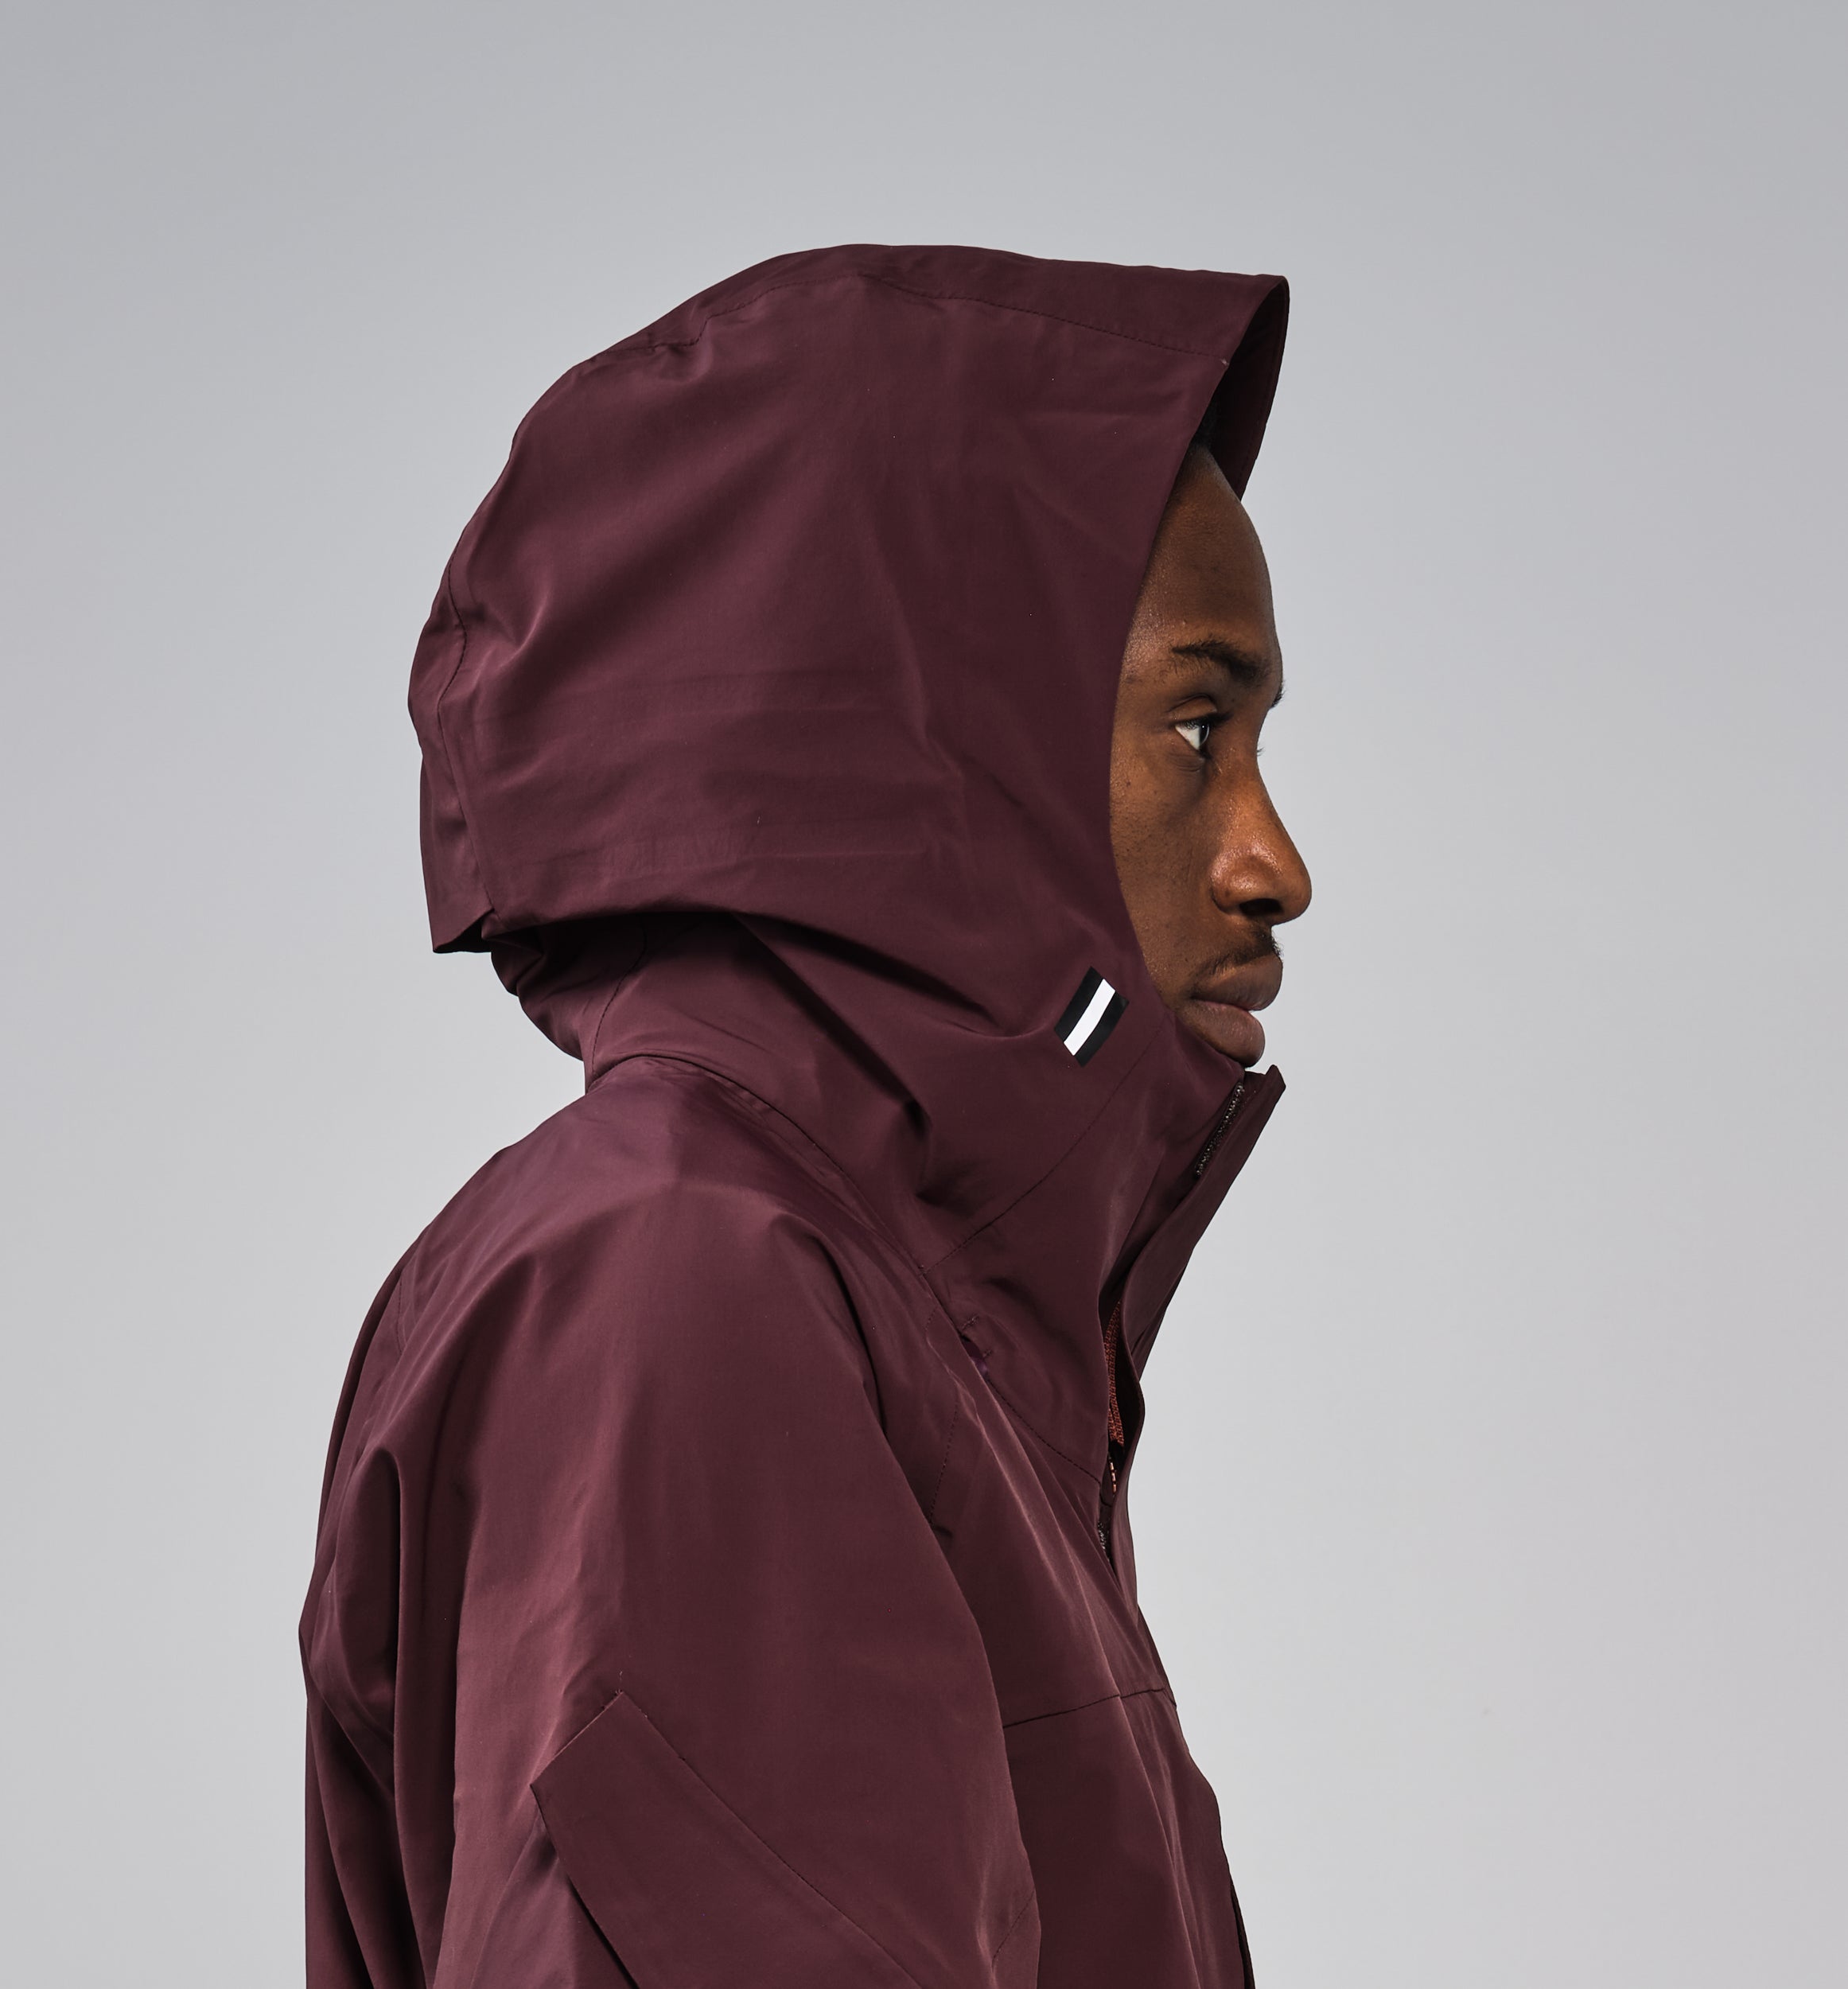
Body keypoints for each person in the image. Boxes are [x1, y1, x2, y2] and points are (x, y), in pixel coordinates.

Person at [302, 243, 1311, 1989]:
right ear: (939, 748)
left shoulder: (907, 1325)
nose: (1272, 863)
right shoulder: (683, 1279)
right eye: (1195, 730)